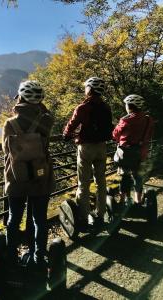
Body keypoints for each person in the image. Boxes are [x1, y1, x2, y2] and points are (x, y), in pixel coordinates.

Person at [2, 80, 55, 269]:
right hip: (41, 177)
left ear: (21, 97)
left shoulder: (10, 123)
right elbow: (46, 118)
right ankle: (38, 257)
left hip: (16, 178)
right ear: (40, 100)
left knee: (14, 218)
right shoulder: (47, 120)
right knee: (39, 219)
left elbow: (6, 151)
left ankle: (10, 258)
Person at [62, 77, 113, 230]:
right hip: (102, 147)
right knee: (101, 181)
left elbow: (72, 124)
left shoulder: (83, 107)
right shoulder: (106, 107)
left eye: (86, 87)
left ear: (90, 89)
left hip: (86, 148)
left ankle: (83, 217)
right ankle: (100, 213)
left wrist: (66, 134)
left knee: (83, 183)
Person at [112, 94, 154, 204]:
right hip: (141, 152)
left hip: (126, 154)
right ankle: (138, 200)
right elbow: (149, 134)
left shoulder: (125, 120)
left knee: (125, 176)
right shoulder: (148, 119)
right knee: (138, 176)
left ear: (130, 106)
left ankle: (122, 200)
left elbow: (115, 134)